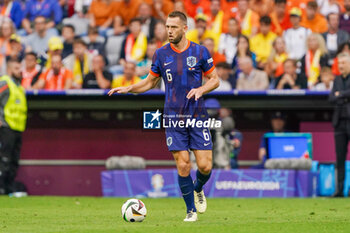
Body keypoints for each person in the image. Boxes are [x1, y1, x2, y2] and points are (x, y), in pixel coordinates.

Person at [108, 11, 220, 221]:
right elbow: (150, 81)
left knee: (205, 166)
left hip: (196, 116)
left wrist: (201, 90)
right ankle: (190, 211)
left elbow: (215, 79)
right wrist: (129, 88)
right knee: (184, 163)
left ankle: (198, 189)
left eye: (174, 27)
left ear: (185, 29)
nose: (169, 31)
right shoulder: (161, 54)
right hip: (172, 117)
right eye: (167, 27)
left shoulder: (200, 51)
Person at [0, 58, 27, 194]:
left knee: (14, 160)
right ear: (10, 70)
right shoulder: (5, 82)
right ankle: (1, 187)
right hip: (6, 126)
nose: (20, 71)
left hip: (17, 127)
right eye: (17, 68)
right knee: (4, 159)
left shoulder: (19, 86)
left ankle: (8, 186)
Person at [329, 52, 350, 197]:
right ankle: (339, 189)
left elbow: (339, 95)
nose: (340, 66)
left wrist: (340, 95)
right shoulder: (336, 80)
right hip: (339, 122)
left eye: (343, 63)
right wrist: (343, 95)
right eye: (339, 63)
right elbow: (331, 97)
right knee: (339, 157)